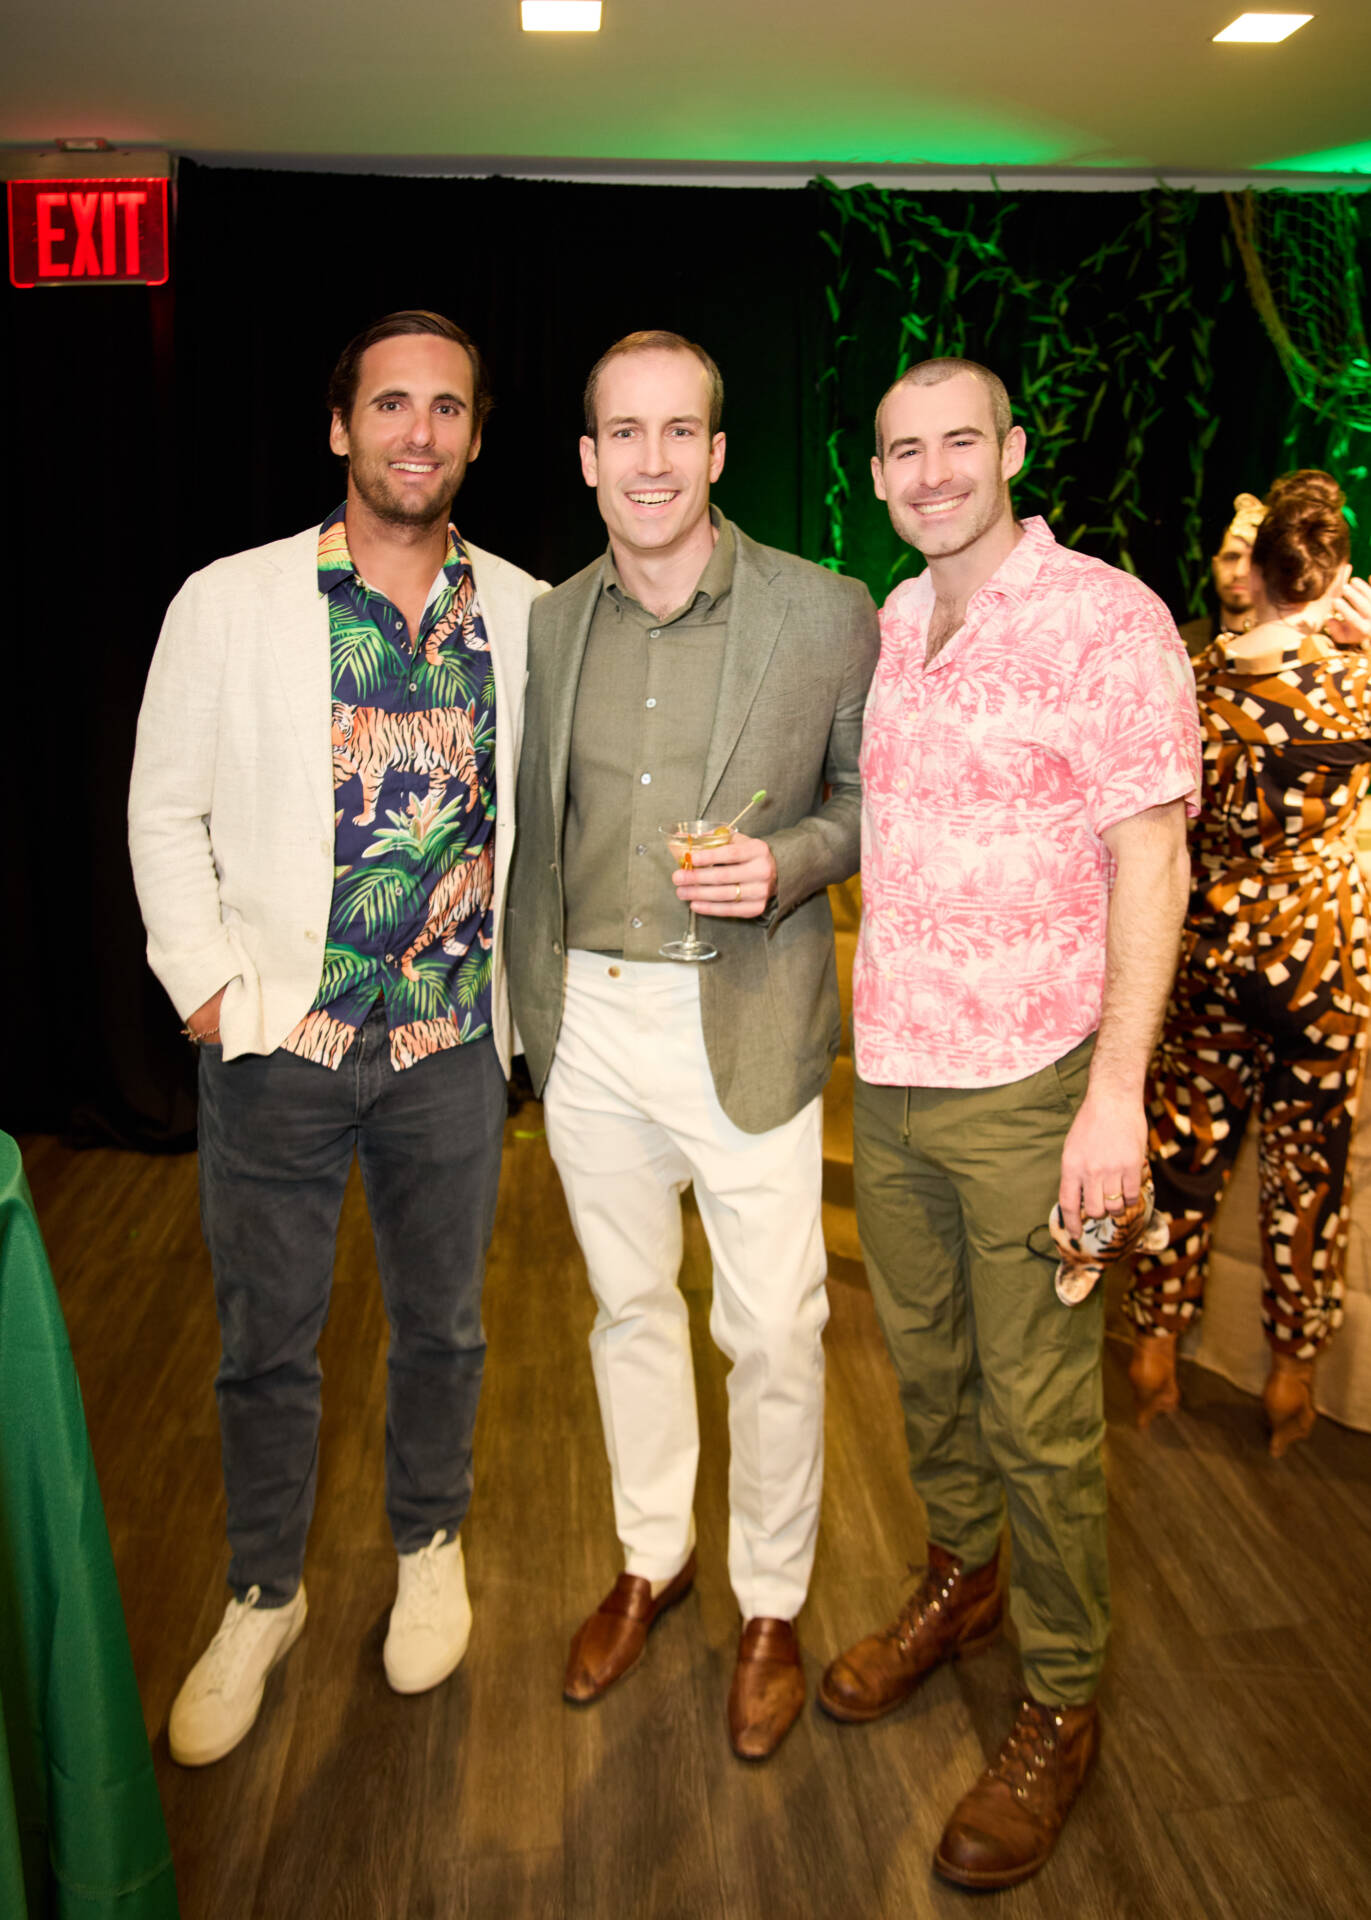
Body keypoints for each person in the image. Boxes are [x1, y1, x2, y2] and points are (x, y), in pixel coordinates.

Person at [128, 310, 546, 1766]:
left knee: (444, 1328)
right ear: (340, 427)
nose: (417, 431)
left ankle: (428, 1547)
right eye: (390, 404)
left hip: (448, 1048)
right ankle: (264, 1592)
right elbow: (163, 807)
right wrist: (205, 986)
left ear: (475, 437)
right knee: (266, 1344)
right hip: (276, 1048)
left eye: (446, 407)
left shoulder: (527, 613)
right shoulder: (228, 601)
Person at [820, 357, 1199, 1888]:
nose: (930, 474)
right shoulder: (888, 625)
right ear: (874, 476)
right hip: (895, 1077)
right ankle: (960, 1580)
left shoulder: (1105, 621)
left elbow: (1151, 860)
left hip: (1035, 1084)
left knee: (1039, 1416)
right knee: (925, 1375)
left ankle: (1057, 1700)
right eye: (901, 451)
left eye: (956, 443)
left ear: (1012, 450)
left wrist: (1113, 1095)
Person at [506, 330, 878, 1760]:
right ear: (587, 457)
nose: (650, 461)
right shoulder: (551, 622)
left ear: (717, 453)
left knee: (773, 1328)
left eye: (679, 433)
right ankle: (651, 1561)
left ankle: (770, 1603)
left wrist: (787, 863)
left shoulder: (824, 610)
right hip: (588, 1020)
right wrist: (529, 1017)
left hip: (745, 1013)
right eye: (624, 433)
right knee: (626, 1309)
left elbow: (866, 799)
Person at [1126, 470, 1371, 1457]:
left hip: (1213, 951)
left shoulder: (1196, 681)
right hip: (1325, 966)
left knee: (1184, 1155)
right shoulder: (1358, 685)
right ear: (1333, 578)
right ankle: (1289, 1377)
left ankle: (1153, 1352)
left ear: (1253, 574)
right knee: (1308, 1173)